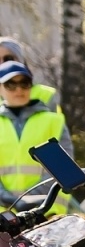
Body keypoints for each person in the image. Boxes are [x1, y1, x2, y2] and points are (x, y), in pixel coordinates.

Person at [0, 60, 72, 212]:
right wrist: (8, 199)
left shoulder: (54, 121)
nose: (19, 89)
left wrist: (27, 199)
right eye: (10, 84)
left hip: (47, 212)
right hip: (4, 217)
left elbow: (63, 168)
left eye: (24, 83)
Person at [0, 39, 59, 111]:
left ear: (21, 60)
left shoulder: (46, 94)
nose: (2, 63)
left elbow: (57, 120)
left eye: (8, 59)